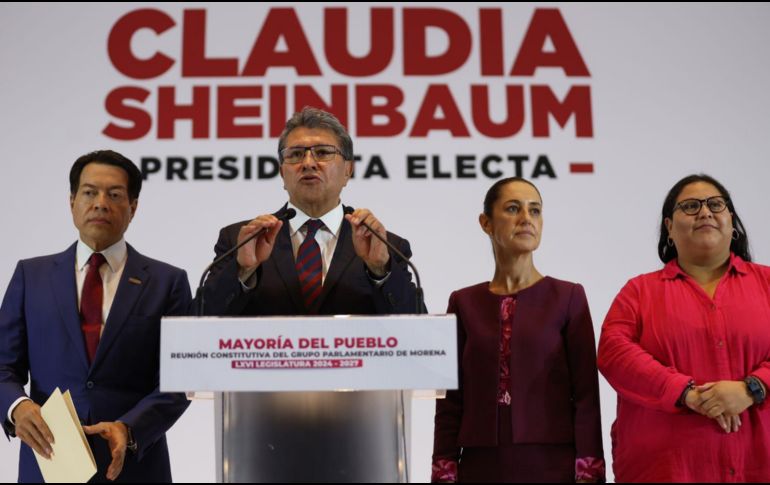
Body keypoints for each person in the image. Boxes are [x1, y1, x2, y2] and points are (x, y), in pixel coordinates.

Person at [0, 150, 191, 482]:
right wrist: (17, 406)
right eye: (89, 192)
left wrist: (130, 429)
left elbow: (181, 380)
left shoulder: (167, 282)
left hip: (134, 466)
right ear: (72, 201)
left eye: (115, 195)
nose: (101, 203)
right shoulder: (31, 276)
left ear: (133, 207)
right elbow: (3, 364)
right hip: (49, 462)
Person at [598, 174, 770, 482]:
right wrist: (684, 393)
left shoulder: (767, 283)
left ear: (732, 221)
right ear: (669, 229)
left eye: (716, 205)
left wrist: (752, 388)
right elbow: (614, 352)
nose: (705, 212)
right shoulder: (639, 292)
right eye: (690, 206)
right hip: (668, 470)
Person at [432, 177, 605, 483]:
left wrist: (589, 470)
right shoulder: (463, 302)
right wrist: (444, 468)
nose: (526, 218)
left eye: (535, 210)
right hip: (480, 466)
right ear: (486, 223)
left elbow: (587, 396)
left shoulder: (568, 297)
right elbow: (449, 400)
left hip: (553, 466)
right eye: (513, 208)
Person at [201, 106, 419, 317]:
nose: (308, 163)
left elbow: (420, 330)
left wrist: (380, 270)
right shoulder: (242, 240)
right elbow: (198, 321)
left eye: (323, 152)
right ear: (281, 173)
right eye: (295, 154)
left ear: (348, 170)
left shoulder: (385, 245)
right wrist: (242, 270)